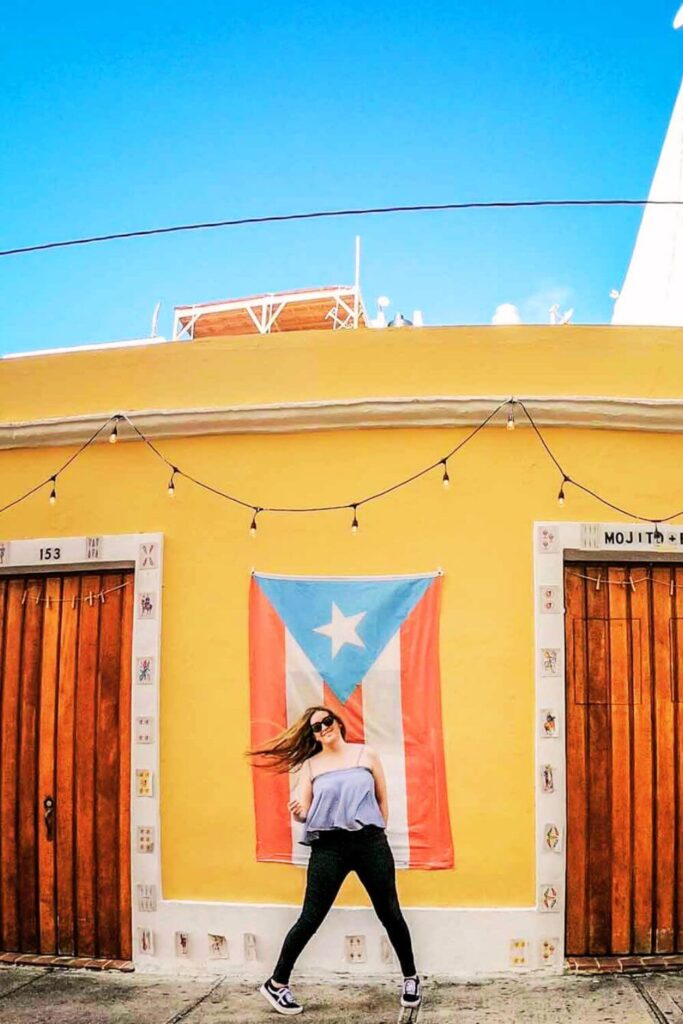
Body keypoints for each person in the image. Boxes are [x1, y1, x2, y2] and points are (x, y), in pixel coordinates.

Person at [249, 705, 421, 1017]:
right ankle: (277, 983)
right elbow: (305, 809)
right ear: (312, 735)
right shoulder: (311, 766)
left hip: (369, 843)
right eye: (316, 727)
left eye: (327, 721)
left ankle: (411, 979)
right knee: (310, 917)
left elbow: (382, 798)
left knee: (390, 912)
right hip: (329, 847)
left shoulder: (365, 755)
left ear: (338, 722)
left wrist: (377, 829)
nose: (323, 728)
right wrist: (299, 812)